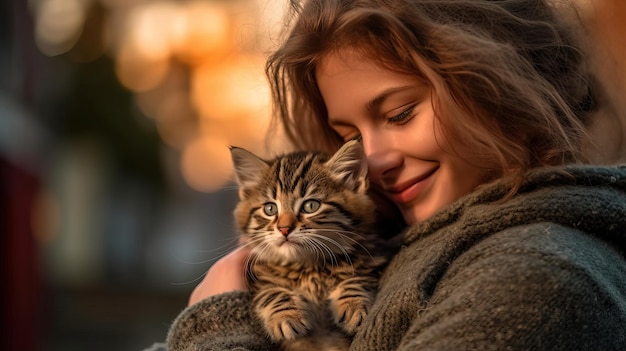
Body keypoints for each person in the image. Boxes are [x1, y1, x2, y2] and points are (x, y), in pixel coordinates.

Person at [160, 0, 626, 350]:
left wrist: (215, 323)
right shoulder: (396, 241)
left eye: (400, 114)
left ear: (501, 85)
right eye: (347, 135)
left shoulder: (534, 276)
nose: (372, 160)